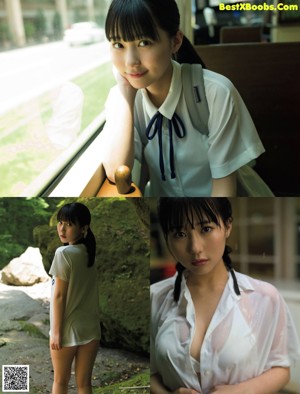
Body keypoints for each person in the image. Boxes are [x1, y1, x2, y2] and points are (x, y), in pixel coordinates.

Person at [101, 0, 266, 197]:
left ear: (175, 42)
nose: (130, 62)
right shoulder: (121, 99)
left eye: (144, 42)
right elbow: (115, 171)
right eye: (118, 44)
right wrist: (126, 94)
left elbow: (224, 190)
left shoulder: (216, 94)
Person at [150, 198, 300, 394]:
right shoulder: (155, 296)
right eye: (180, 234)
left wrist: (242, 391)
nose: (195, 248)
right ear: (167, 238)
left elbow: (281, 368)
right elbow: (150, 371)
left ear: (227, 226)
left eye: (206, 229)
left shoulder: (264, 297)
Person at [49, 202, 100, 394]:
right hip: (91, 329)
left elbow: (59, 296)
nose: (62, 228)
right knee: (84, 385)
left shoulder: (63, 253)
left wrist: (55, 331)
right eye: (60, 222)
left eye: (69, 224)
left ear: (83, 228)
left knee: (60, 382)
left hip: (66, 330)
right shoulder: (89, 253)